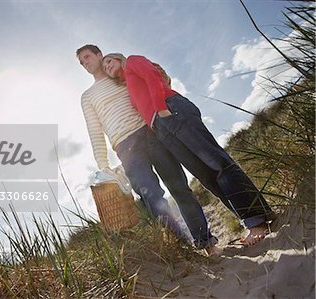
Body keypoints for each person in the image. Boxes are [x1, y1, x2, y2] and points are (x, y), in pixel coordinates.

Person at [102, 53, 276, 246]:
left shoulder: (133, 61)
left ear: (119, 58)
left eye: (109, 60)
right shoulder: (128, 86)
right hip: (162, 128)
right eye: (104, 66)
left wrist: (161, 109)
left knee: (216, 163)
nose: (107, 65)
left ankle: (258, 220)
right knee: (207, 176)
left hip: (171, 111)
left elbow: (153, 76)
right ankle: (250, 220)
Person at [76, 45, 220, 255]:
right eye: (81, 62)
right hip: (125, 147)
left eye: (87, 57)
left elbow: (154, 80)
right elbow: (94, 129)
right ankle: (182, 249)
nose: (85, 63)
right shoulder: (87, 96)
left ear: (100, 55)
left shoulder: (121, 76)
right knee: (151, 198)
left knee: (179, 187)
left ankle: (206, 242)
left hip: (151, 132)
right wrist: (103, 165)